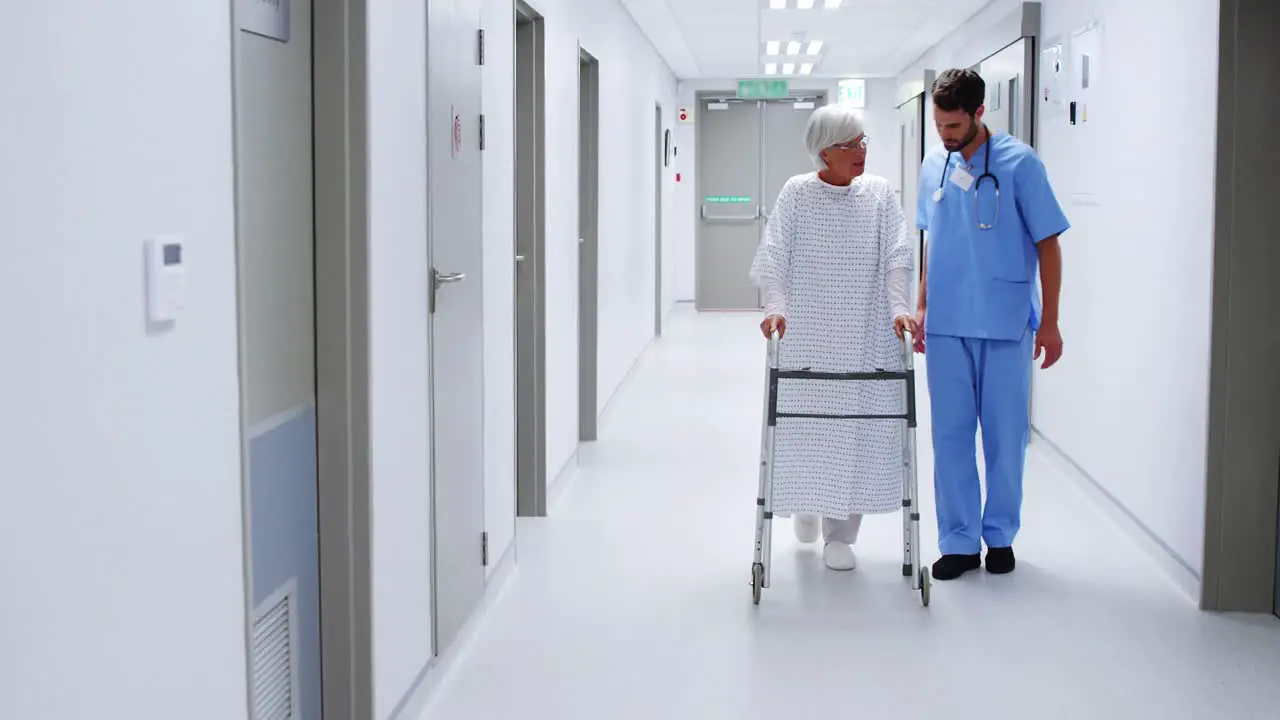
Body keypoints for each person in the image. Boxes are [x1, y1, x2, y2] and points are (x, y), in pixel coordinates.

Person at [914, 68, 1069, 580]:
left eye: (954, 126)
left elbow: (1048, 243)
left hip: (1005, 322)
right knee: (951, 437)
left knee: (1005, 437)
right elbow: (932, 239)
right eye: (939, 125)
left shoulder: (1021, 164)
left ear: (980, 113)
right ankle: (958, 541)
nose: (946, 136)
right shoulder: (933, 163)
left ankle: (999, 534)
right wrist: (921, 306)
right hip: (946, 324)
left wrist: (1050, 321)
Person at [749, 104, 917, 572]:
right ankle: (805, 502)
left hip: (864, 332)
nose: (861, 151)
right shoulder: (797, 194)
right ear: (825, 153)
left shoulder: (880, 195)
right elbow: (775, 256)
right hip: (809, 333)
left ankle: (841, 535)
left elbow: (897, 256)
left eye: (863, 141)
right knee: (807, 425)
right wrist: (775, 308)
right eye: (850, 145)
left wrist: (900, 310)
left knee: (856, 431)